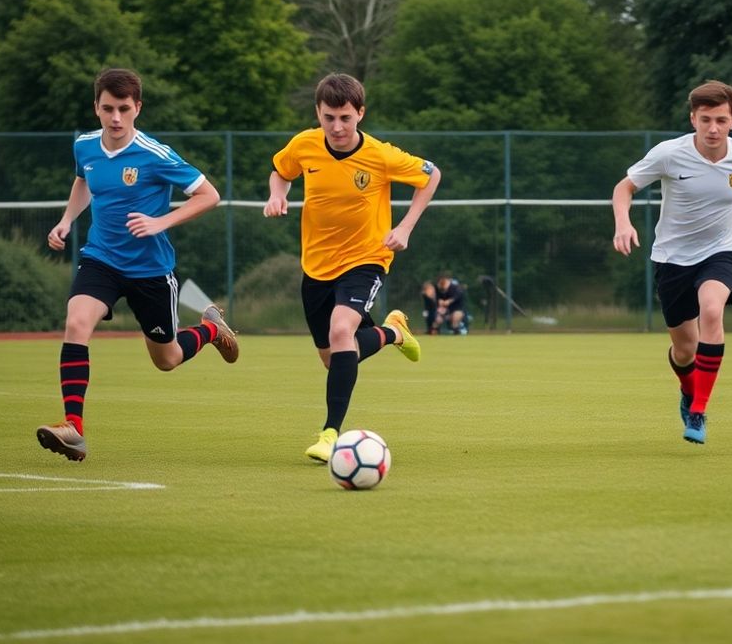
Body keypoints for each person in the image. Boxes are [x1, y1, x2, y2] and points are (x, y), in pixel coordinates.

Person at [36, 68, 239, 462]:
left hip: (151, 271)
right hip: (101, 259)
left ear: (137, 108)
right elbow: (83, 181)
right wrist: (66, 220)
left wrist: (160, 222)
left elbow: (209, 195)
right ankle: (73, 428)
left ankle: (212, 330)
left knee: (168, 359)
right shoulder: (85, 146)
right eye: (108, 108)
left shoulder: (155, 154)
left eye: (124, 109)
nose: (115, 118)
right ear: (96, 107)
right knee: (76, 323)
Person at [264, 73, 442, 462]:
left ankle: (330, 435)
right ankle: (393, 332)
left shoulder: (380, 155)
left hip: (367, 258)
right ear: (318, 113)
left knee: (341, 330)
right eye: (329, 117)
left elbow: (431, 176)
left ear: (360, 113)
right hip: (316, 266)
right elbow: (281, 171)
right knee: (335, 357)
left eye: (345, 117)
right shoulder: (305, 145)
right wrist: (277, 196)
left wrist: (405, 227)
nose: (337, 127)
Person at [612, 80, 732, 444]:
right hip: (672, 258)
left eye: (721, 119)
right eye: (706, 120)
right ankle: (689, 393)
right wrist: (623, 223)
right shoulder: (669, 154)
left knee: (713, 312)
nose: (713, 128)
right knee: (684, 350)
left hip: (721, 250)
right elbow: (624, 188)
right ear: (693, 119)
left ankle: (699, 410)